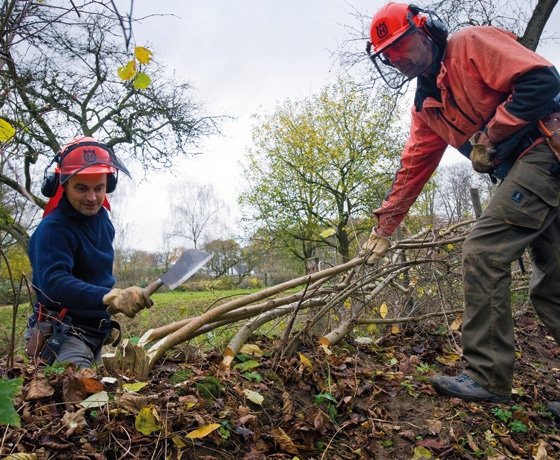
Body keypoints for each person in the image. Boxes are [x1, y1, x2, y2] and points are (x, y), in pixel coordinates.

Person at [361, 3, 560, 406]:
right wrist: (383, 230)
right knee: (553, 282)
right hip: (524, 172)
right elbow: (412, 168)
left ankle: (487, 376)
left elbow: (542, 80)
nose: (398, 59)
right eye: (389, 55)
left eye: (402, 46)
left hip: (545, 148)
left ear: (427, 31)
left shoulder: (470, 44)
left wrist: (491, 135)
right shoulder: (426, 108)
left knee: (484, 252)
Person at [25, 137, 153, 368]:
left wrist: (113, 303)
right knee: (78, 400)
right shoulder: (53, 229)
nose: (92, 198)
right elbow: (54, 283)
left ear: (108, 185)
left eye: (99, 188)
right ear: (62, 184)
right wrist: (109, 296)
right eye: (81, 188)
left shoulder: (103, 221)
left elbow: (97, 277)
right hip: (62, 335)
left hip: (95, 334)